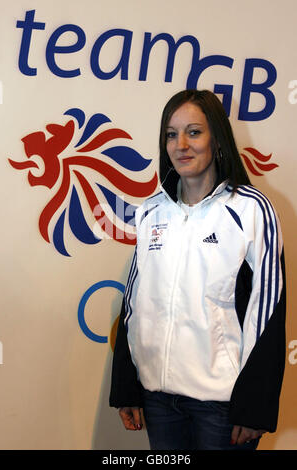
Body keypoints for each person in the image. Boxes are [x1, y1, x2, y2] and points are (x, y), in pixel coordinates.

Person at [109, 89, 286, 450]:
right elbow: (135, 305)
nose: (181, 145)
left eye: (194, 132)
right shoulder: (151, 212)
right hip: (159, 401)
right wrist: (127, 385)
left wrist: (255, 405)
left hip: (220, 406)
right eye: (171, 134)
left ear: (217, 139)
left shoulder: (252, 210)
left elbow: (267, 311)